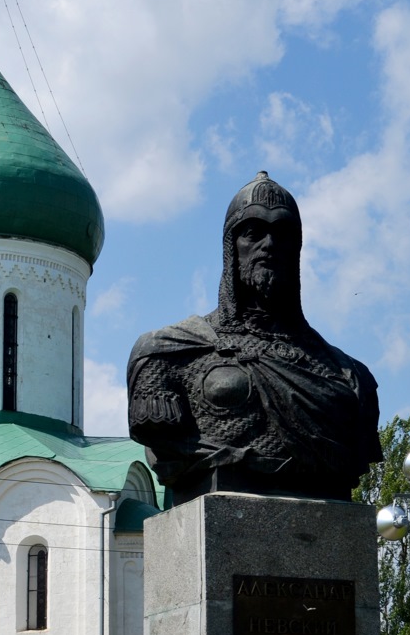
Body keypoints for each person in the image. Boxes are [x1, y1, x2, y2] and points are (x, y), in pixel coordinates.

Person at [127, 172, 382, 503]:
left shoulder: (351, 377)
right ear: (231, 248)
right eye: (253, 232)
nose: (270, 245)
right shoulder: (167, 354)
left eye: (283, 234)